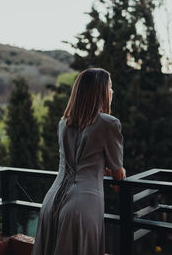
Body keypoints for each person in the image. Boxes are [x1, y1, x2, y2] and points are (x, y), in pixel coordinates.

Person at [31, 68, 126, 255]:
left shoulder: (63, 123)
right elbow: (118, 171)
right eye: (110, 87)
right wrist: (117, 172)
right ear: (100, 92)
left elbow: (75, 161)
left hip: (52, 202)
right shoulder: (109, 123)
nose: (112, 92)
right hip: (83, 205)